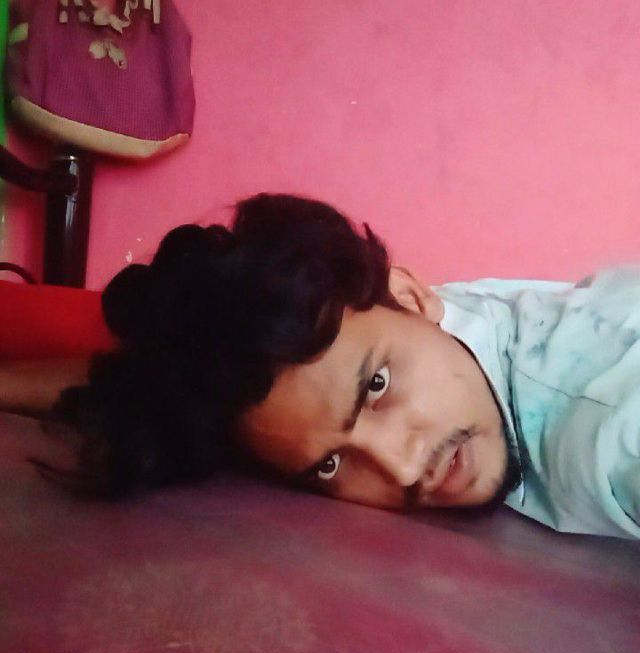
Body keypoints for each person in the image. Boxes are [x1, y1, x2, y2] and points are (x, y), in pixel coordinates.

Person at [1, 193, 639, 539]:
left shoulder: (613, 434)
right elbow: (158, 385)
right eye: (330, 465)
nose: (401, 468)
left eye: (377, 388)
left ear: (412, 295)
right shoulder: (421, 327)